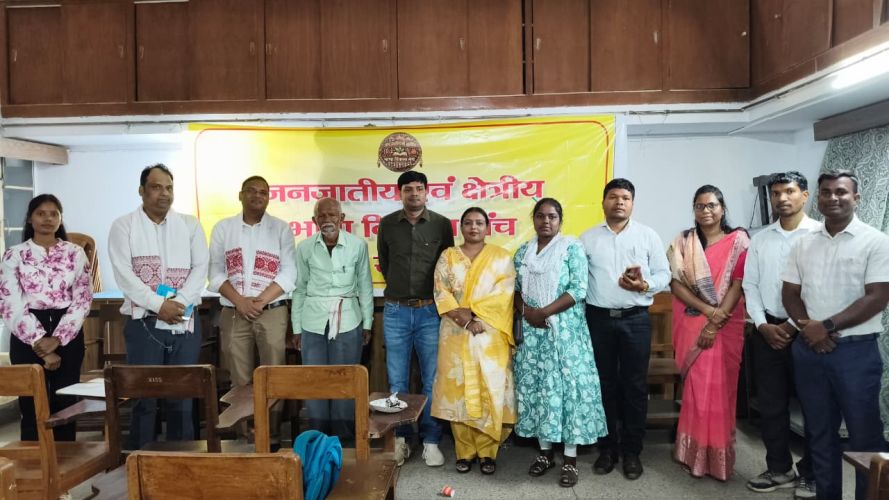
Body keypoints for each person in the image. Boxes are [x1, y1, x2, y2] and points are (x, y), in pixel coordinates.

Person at [782, 170, 889, 500]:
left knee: (865, 437)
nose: (833, 197)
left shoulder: (876, 241)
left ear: (856, 198)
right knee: (819, 434)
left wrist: (825, 327)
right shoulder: (803, 243)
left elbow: (877, 296)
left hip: (855, 352)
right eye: (826, 191)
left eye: (841, 192)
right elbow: (790, 293)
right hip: (810, 351)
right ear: (818, 197)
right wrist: (809, 328)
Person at [108, 164, 209, 450]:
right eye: (156, 187)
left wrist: (178, 303)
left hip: (183, 321)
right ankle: (140, 460)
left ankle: (181, 462)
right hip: (144, 323)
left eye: (168, 187)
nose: (164, 193)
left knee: (182, 397)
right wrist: (158, 304)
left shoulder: (189, 225)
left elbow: (201, 268)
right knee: (144, 397)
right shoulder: (124, 226)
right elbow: (124, 274)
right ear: (141, 191)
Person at [580, 178, 671, 480]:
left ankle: (632, 451)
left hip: (635, 319)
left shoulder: (648, 236)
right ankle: (607, 449)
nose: (619, 202)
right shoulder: (587, 239)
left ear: (632, 203)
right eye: (613, 197)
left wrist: (645, 285)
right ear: (603, 202)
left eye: (625, 198)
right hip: (598, 320)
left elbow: (665, 274)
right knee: (603, 385)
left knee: (634, 386)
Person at [514, 197, 608, 488]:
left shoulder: (571, 248)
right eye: (540, 216)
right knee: (539, 390)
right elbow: (515, 289)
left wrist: (543, 312)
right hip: (533, 333)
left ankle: (570, 460)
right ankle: (545, 455)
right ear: (533, 219)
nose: (546, 221)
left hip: (565, 334)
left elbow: (578, 289)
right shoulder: (523, 252)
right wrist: (527, 312)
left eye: (552, 216)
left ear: (560, 220)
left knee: (567, 393)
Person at [742, 171, 819, 498]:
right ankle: (779, 469)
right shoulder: (761, 239)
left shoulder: (820, 235)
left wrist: (791, 325)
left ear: (804, 195)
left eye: (789, 191)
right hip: (766, 331)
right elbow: (750, 285)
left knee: (815, 406)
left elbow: (819, 288)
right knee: (771, 405)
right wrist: (762, 325)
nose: (782, 198)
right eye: (776, 193)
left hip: (808, 333)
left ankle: (812, 473)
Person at [668, 184, 749, 481]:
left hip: (725, 325)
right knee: (696, 391)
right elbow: (675, 284)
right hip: (693, 322)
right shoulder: (683, 242)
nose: (706, 211)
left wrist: (715, 323)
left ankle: (716, 458)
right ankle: (692, 455)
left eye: (712, 205)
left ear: (722, 208)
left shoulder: (738, 241)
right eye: (700, 206)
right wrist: (707, 311)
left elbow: (738, 284)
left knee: (719, 391)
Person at [208, 175, 296, 444]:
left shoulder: (281, 229)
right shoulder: (223, 228)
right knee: (239, 375)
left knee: (273, 374)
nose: (257, 196)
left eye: (263, 192)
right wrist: (240, 301)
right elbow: (215, 272)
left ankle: (271, 434)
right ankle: (244, 436)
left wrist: (259, 301)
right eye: (251, 191)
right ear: (240, 195)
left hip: (272, 310)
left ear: (268, 197)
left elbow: (289, 272)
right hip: (234, 311)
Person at [377, 170, 454, 466]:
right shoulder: (387, 224)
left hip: (430, 311)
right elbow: (386, 265)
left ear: (426, 192)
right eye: (408, 189)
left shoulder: (441, 225)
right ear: (400, 193)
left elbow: (447, 267)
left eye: (419, 188)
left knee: (431, 378)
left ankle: (431, 440)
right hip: (395, 310)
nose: (414, 194)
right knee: (396, 379)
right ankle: (401, 439)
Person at [431, 207, 516, 475]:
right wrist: (464, 319)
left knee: (489, 387)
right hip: (455, 331)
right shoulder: (448, 256)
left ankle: (488, 452)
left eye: (479, 223)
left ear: (488, 227)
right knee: (458, 390)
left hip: (489, 333)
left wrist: (475, 313)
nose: (474, 227)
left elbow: (505, 294)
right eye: (468, 223)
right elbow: (440, 290)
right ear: (461, 228)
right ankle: (464, 452)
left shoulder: (501, 257)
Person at [0, 194, 91, 442]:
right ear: (30, 219)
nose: (47, 219)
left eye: (54, 214)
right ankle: (32, 456)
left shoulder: (75, 253)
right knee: (30, 401)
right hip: (26, 329)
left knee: (66, 401)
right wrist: (40, 342)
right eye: (41, 213)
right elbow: (9, 302)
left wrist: (58, 339)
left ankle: (66, 457)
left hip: (68, 329)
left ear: (60, 219)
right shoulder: (14, 255)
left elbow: (82, 299)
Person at [292, 197, 373, 441]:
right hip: (312, 322)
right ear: (314, 220)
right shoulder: (304, 248)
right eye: (322, 216)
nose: (327, 220)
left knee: (345, 380)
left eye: (332, 215)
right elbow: (299, 289)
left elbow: (365, 286)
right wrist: (296, 328)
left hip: (348, 319)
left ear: (342, 218)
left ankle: (344, 440)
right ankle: (318, 440)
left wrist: (367, 323)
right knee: (314, 382)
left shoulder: (357, 245)